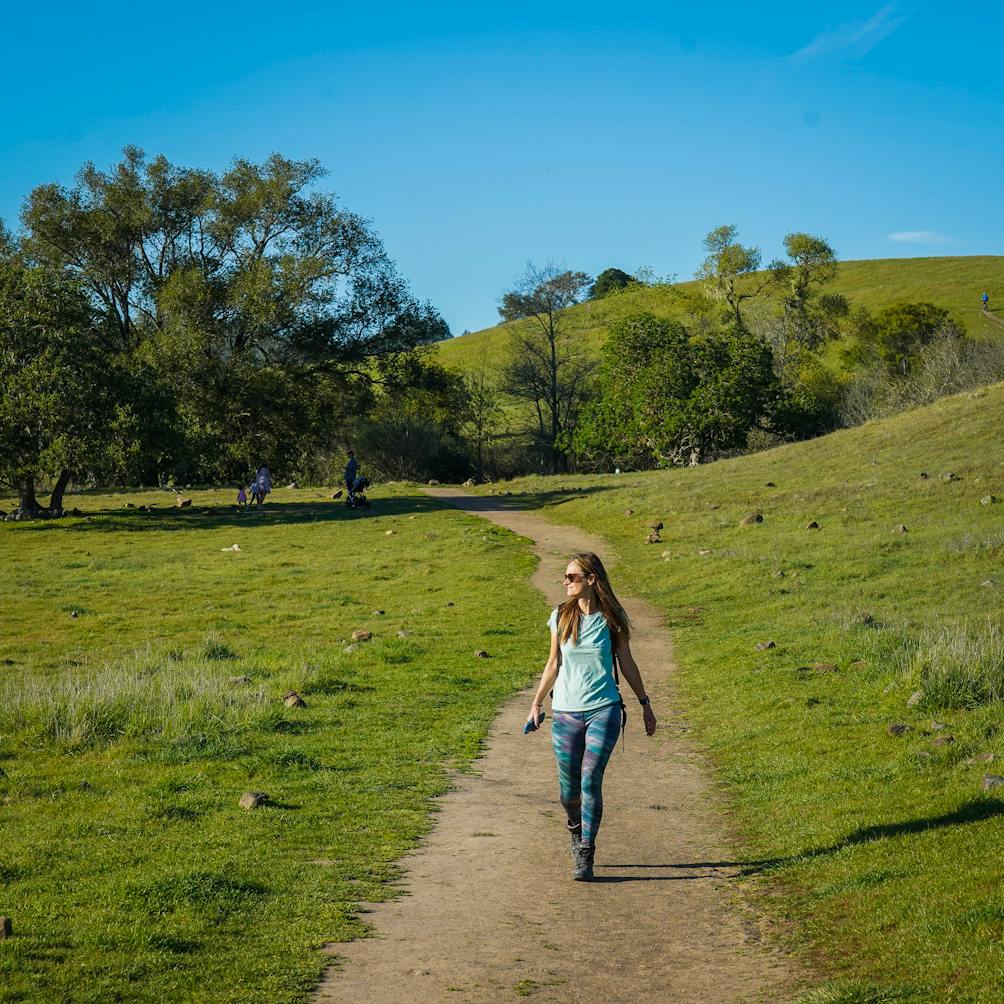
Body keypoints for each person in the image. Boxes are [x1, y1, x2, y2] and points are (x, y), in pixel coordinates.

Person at [525, 552, 657, 881]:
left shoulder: (612, 618)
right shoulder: (560, 616)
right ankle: (575, 830)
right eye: (566, 577)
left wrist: (644, 703)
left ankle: (586, 849)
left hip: (605, 709)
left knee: (589, 780)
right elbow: (553, 663)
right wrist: (536, 703)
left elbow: (626, 663)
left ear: (591, 580)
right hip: (566, 711)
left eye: (572, 577)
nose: (566, 581)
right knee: (568, 792)